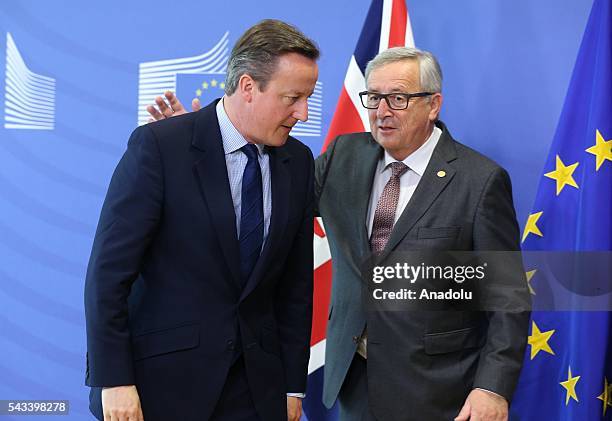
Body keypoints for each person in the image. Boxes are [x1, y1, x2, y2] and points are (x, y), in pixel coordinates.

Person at [148, 47, 530, 421]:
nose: (381, 112)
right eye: (374, 97)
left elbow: (507, 299)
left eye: (397, 98)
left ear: (433, 104)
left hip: (440, 389)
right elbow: (275, 203)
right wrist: (210, 151)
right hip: (354, 379)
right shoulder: (345, 154)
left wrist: (492, 387)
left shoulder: (479, 181)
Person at [84, 19, 319, 421]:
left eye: (307, 97)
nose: (303, 112)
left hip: (257, 392)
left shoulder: (297, 161)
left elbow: (295, 286)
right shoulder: (160, 147)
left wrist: (292, 384)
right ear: (248, 87)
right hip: (161, 386)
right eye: (292, 98)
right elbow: (108, 275)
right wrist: (114, 379)